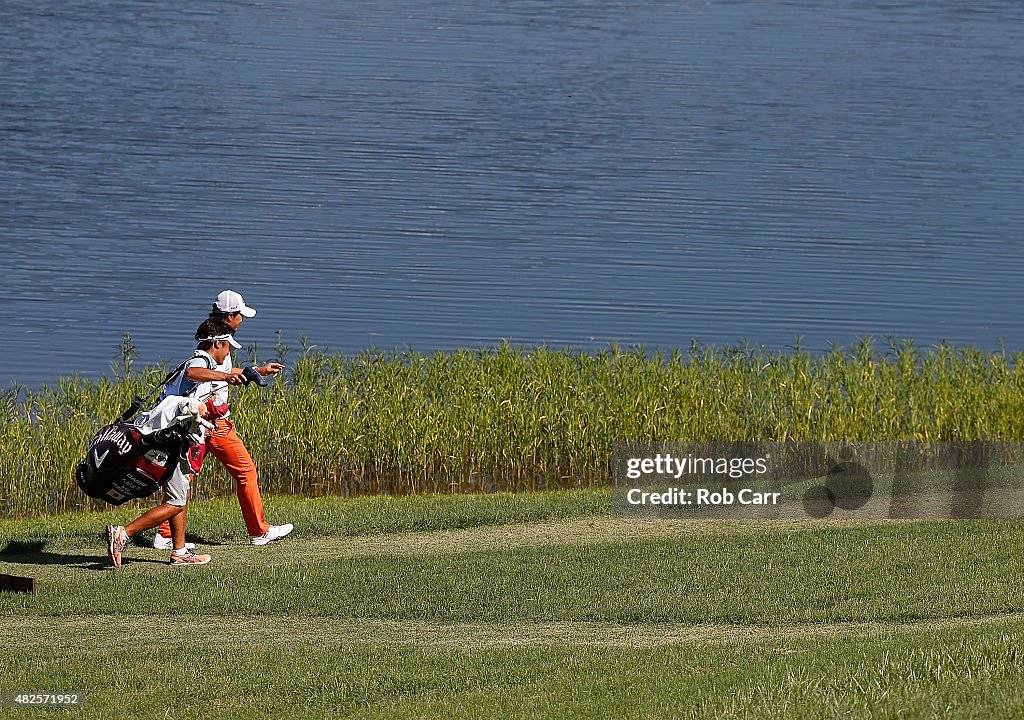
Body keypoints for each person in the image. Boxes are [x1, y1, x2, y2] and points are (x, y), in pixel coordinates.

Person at [153, 301, 292, 547]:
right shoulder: (213, 347)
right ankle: (259, 532)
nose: (243, 320)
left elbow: (218, 373)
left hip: (199, 424)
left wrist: (256, 370)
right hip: (211, 424)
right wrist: (227, 377)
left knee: (184, 479)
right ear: (230, 316)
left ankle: (165, 535)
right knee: (246, 471)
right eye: (240, 315)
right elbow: (194, 373)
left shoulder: (212, 341)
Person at [105, 395, 213, 568]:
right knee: (176, 502)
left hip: (165, 438)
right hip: (175, 442)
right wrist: (203, 410)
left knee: (180, 495)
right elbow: (193, 392)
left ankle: (180, 552)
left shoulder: (201, 373)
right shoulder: (201, 369)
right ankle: (124, 533)